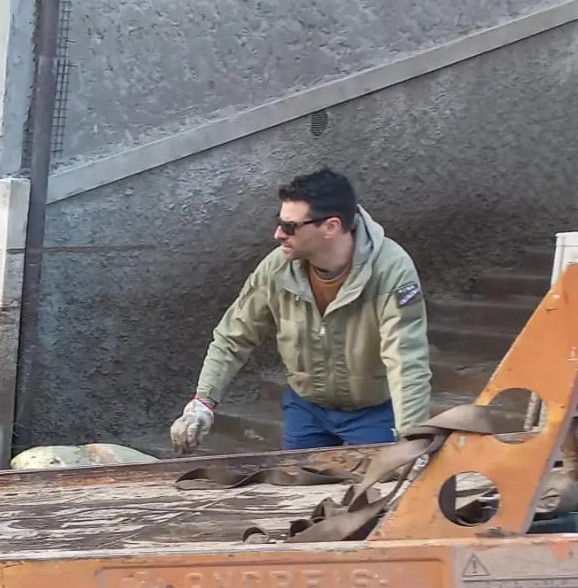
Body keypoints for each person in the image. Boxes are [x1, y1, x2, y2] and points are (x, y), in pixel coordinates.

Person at [170, 168, 431, 454]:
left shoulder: (392, 270)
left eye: (290, 227)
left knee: (379, 492)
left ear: (330, 226)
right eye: (279, 222)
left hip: (374, 412)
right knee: (295, 490)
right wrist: (202, 403)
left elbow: (406, 360)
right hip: (307, 409)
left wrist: (412, 440)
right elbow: (233, 337)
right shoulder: (276, 267)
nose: (278, 233)